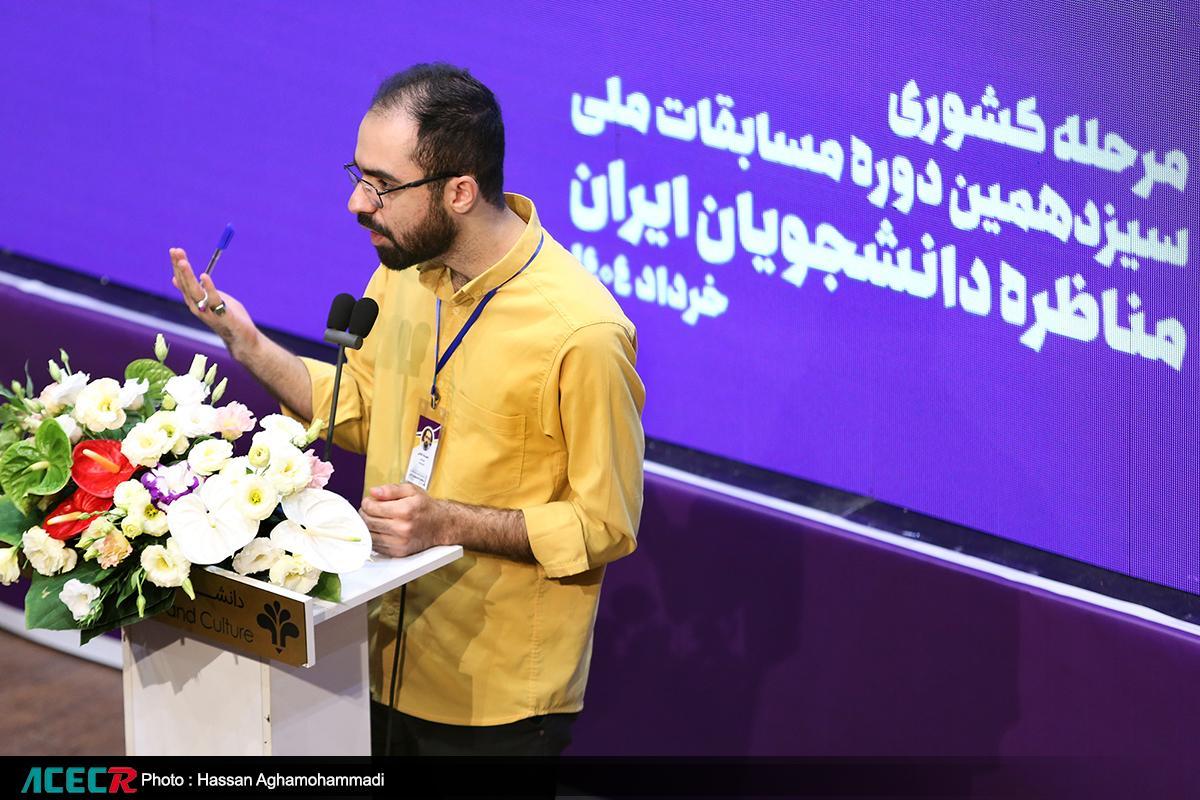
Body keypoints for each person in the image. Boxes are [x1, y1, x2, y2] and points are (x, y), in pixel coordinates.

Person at [167, 63, 645, 756]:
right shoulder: (403, 276)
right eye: (357, 176)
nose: (356, 204)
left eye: (381, 186)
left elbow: (604, 524)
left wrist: (449, 522)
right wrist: (247, 342)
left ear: (459, 191)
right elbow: (357, 408)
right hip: (370, 648)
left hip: (492, 699)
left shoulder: (583, 333)